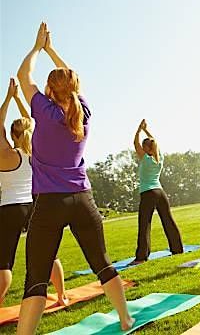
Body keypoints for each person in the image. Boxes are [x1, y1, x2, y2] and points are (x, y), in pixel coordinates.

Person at [15, 23, 133, 334]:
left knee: (37, 278)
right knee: (102, 263)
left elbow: (23, 76)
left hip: (50, 204)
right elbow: (72, 82)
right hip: (83, 199)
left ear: (50, 91)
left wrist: (37, 48)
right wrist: (53, 50)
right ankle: (125, 317)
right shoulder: (84, 113)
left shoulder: (44, 110)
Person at [0, 78, 67, 307]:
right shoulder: (38, 151)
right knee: (50, 255)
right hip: (37, 205)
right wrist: (19, 98)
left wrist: (8, 98)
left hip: (10, 208)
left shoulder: (6, 154)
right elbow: (32, 122)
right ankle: (61, 296)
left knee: (4, 262)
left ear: (12, 135)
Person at [131, 119, 184, 265]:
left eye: (143, 147)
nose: (140, 149)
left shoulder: (146, 159)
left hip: (148, 193)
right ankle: (177, 248)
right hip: (160, 192)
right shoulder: (159, 159)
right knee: (168, 220)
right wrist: (146, 131)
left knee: (144, 224)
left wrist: (138, 130)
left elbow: (135, 143)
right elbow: (155, 143)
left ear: (147, 149)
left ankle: (141, 257)